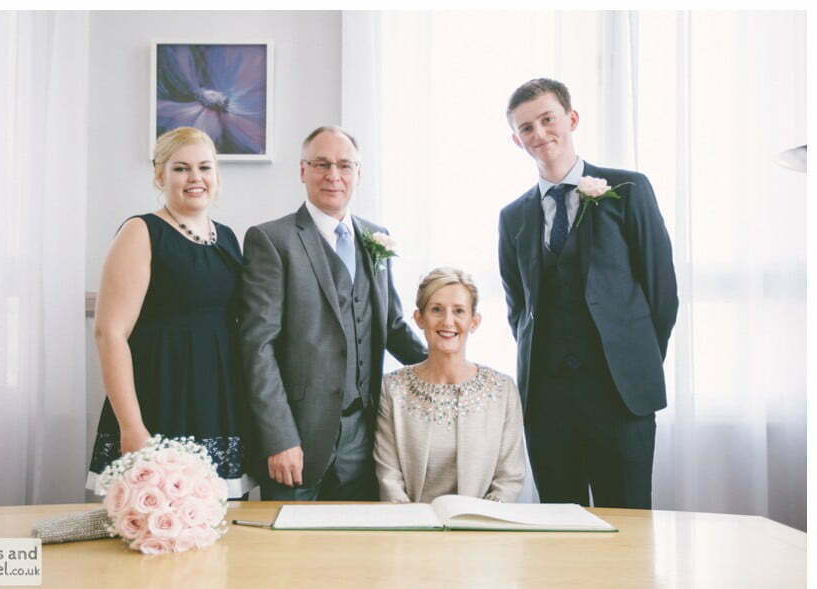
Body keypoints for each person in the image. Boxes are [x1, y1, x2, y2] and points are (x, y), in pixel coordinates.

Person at [498, 78, 678, 509]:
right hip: (547, 403)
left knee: (630, 525)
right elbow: (518, 309)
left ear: (571, 119)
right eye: (526, 128)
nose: (539, 134)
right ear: (516, 140)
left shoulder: (629, 190)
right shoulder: (512, 217)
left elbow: (661, 292)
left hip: (621, 396)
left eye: (547, 119)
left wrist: (634, 360)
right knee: (559, 530)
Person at [240, 125, 427, 501]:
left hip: (367, 434)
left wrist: (446, 368)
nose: (333, 175)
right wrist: (279, 438)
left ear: (358, 173)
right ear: (302, 171)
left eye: (344, 165)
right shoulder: (271, 240)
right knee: (290, 556)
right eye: (321, 164)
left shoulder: (376, 237)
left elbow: (391, 325)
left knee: (358, 551)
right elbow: (257, 347)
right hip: (298, 438)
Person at [87, 127, 254, 499]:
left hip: (217, 399)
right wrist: (131, 426)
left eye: (204, 168)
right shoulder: (141, 231)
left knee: (218, 522)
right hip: (161, 397)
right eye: (181, 169)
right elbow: (109, 333)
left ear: (216, 175)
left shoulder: (227, 237)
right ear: (159, 175)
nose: (195, 178)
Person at [373, 268, 526, 503]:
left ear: (474, 322)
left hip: (482, 529)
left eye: (459, 311)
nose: (447, 321)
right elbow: (388, 476)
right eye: (436, 310)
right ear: (419, 318)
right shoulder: (393, 388)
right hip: (411, 530)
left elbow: (509, 478)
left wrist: (478, 525)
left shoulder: (503, 390)